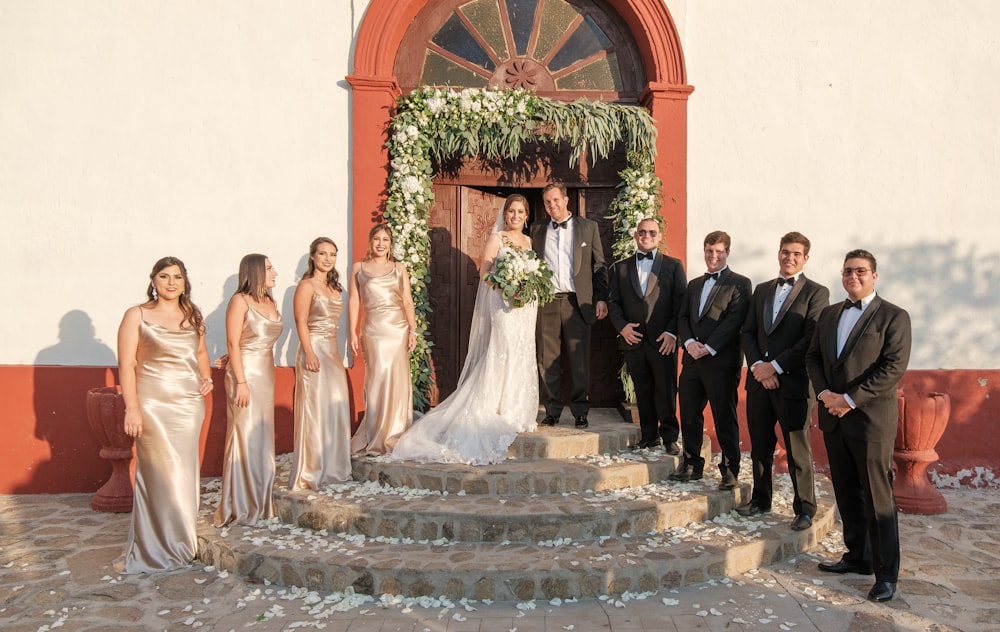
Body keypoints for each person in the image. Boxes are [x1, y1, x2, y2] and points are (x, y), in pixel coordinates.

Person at [393, 195, 539, 464]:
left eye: (520, 211)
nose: (515, 216)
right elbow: (484, 273)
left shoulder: (528, 242)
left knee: (522, 350)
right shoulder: (498, 239)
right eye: (511, 211)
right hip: (504, 304)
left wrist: (526, 288)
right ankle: (497, 407)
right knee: (503, 349)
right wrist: (507, 286)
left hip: (526, 308)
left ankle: (517, 408)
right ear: (505, 214)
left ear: (527, 215)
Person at [807, 249, 911, 603]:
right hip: (834, 418)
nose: (853, 276)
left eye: (861, 271)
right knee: (847, 491)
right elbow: (813, 357)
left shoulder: (894, 317)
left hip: (870, 420)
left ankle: (886, 575)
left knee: (877, 497)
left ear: (874, 276)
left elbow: (892, 367)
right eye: (848, 271)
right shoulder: (829, 314)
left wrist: (848, 399)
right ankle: (857, 557)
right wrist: (824, 393)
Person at [115, 256, 213, 573]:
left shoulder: (192, 315)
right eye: (164, 276)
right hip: (152, 404)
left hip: (188, 405)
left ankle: (183, 541)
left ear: (185, 282)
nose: (171, 282)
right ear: (153, 281)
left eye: (178, 277)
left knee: (184, 472)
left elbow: (200, 352)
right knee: (158, 473)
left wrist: (206, 376)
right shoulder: (137, 315)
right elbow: (127, 364)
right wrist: (132, 407)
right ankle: (155, 546)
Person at [736, 232, 829, 531]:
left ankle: (804, 508)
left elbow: (810, 339)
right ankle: (761, 499)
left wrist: (775, 367)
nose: (789, 257)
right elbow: (747, 332)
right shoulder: (761, 290)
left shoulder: (817, 293)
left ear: (805, 258)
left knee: (797, 449)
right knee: (760, 446)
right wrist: (760, 368)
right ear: (778, 253)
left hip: (793, 384)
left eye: (796, 254)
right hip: (759, 383)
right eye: (785, 252)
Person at [670, 231, 751, 489]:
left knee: (723, 416)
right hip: (692, 360)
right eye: (709, 251)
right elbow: (682, 317)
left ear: (727, 252)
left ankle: (730, 471)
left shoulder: (740, 283)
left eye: (718, 251)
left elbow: (735, 321)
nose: (713, 256)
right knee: (690, 414)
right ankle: (692, 464)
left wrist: (710, 347)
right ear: (704, 251)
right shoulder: (694, 284)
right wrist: (690, 343)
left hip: (721, 362)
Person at [530, 183, 608, 429]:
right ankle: (552, 409)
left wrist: (602, 298)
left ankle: (580, 411)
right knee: (547, 357)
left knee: (578, 359)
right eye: (547, 202)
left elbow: (599, 266)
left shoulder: (588, 227)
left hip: (578, 302)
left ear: (566, 200)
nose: (551, 206)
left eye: (555, 200)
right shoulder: (536, 229)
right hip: (547, 301)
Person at [607, 217, 686, 453]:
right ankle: (649, 436)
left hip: (663, 341)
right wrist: (622, 327)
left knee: (666, 390)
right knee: (642, 390)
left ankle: (670, 437)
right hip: (634, 340)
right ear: (635, 235)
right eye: (642, 232)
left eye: (652, 232)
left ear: (659, 236)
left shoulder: (673, 265)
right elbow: (613, 301)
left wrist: (672, 332)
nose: (646, 236)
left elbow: (680, 302)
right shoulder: (621, 268)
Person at [214, 254, 283, 525]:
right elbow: (233, 342)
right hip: (245, 375)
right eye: (268, 268)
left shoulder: (271, 301)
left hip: (266, 372)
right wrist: (240, 381)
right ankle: (240, 501)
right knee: (243, 432)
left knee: (262, 432)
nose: (275, 272)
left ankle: (261, 493)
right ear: (254, 272)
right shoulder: (239, 301)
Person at [288, 238, 353, 489]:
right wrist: (308, 352)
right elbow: (301, 322)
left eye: (333, 254)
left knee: (335, 406)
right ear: (312, 256)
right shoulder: (306, 286)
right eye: (323, 253)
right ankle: (312, 469)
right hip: (313, 348)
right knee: (314, 408)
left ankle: (335, 467)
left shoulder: (337, 288)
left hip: (332, 351)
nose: (328, 258)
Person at [349, 224, 417, 455]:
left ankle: (395, 433)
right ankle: (375, 432)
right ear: (370, 241)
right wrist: (351, 331)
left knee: (396, 379)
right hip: (372, 331)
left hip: (397, 329)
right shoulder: (359, 267)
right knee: (376, 379)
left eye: (385, 239)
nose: (380, 243)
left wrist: (413, 331)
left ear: (390, 244)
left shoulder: (399, 268)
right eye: (377, 239)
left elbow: (407, 301)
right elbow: (354, 301)